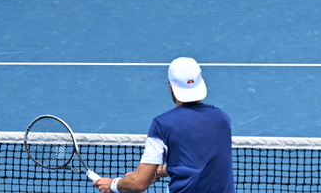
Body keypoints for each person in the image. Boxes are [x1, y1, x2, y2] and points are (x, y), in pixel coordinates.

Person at [93, 57, 234, 193]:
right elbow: (203, 161)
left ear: (171, 87)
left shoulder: (162, 124)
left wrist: (112, 185)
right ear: (201, 82)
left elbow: (138, 184)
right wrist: (158, 172)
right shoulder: (222, 119)